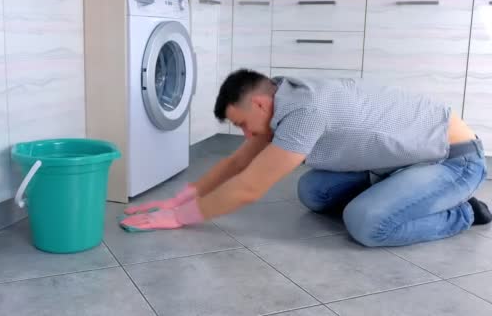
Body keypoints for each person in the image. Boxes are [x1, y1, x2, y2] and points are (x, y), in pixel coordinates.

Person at [119, 69, 491, 247]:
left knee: (367, 225)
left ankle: (462, 211)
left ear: (261, 104)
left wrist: (179, 219)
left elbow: (249, 186)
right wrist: (180, 198)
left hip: (453, 160)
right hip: (399, 162)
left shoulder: (303, 111)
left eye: (244, 125)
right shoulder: (282, 93)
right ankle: (401, 191)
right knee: (314, 191)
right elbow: (236, 164)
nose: (247, 136)